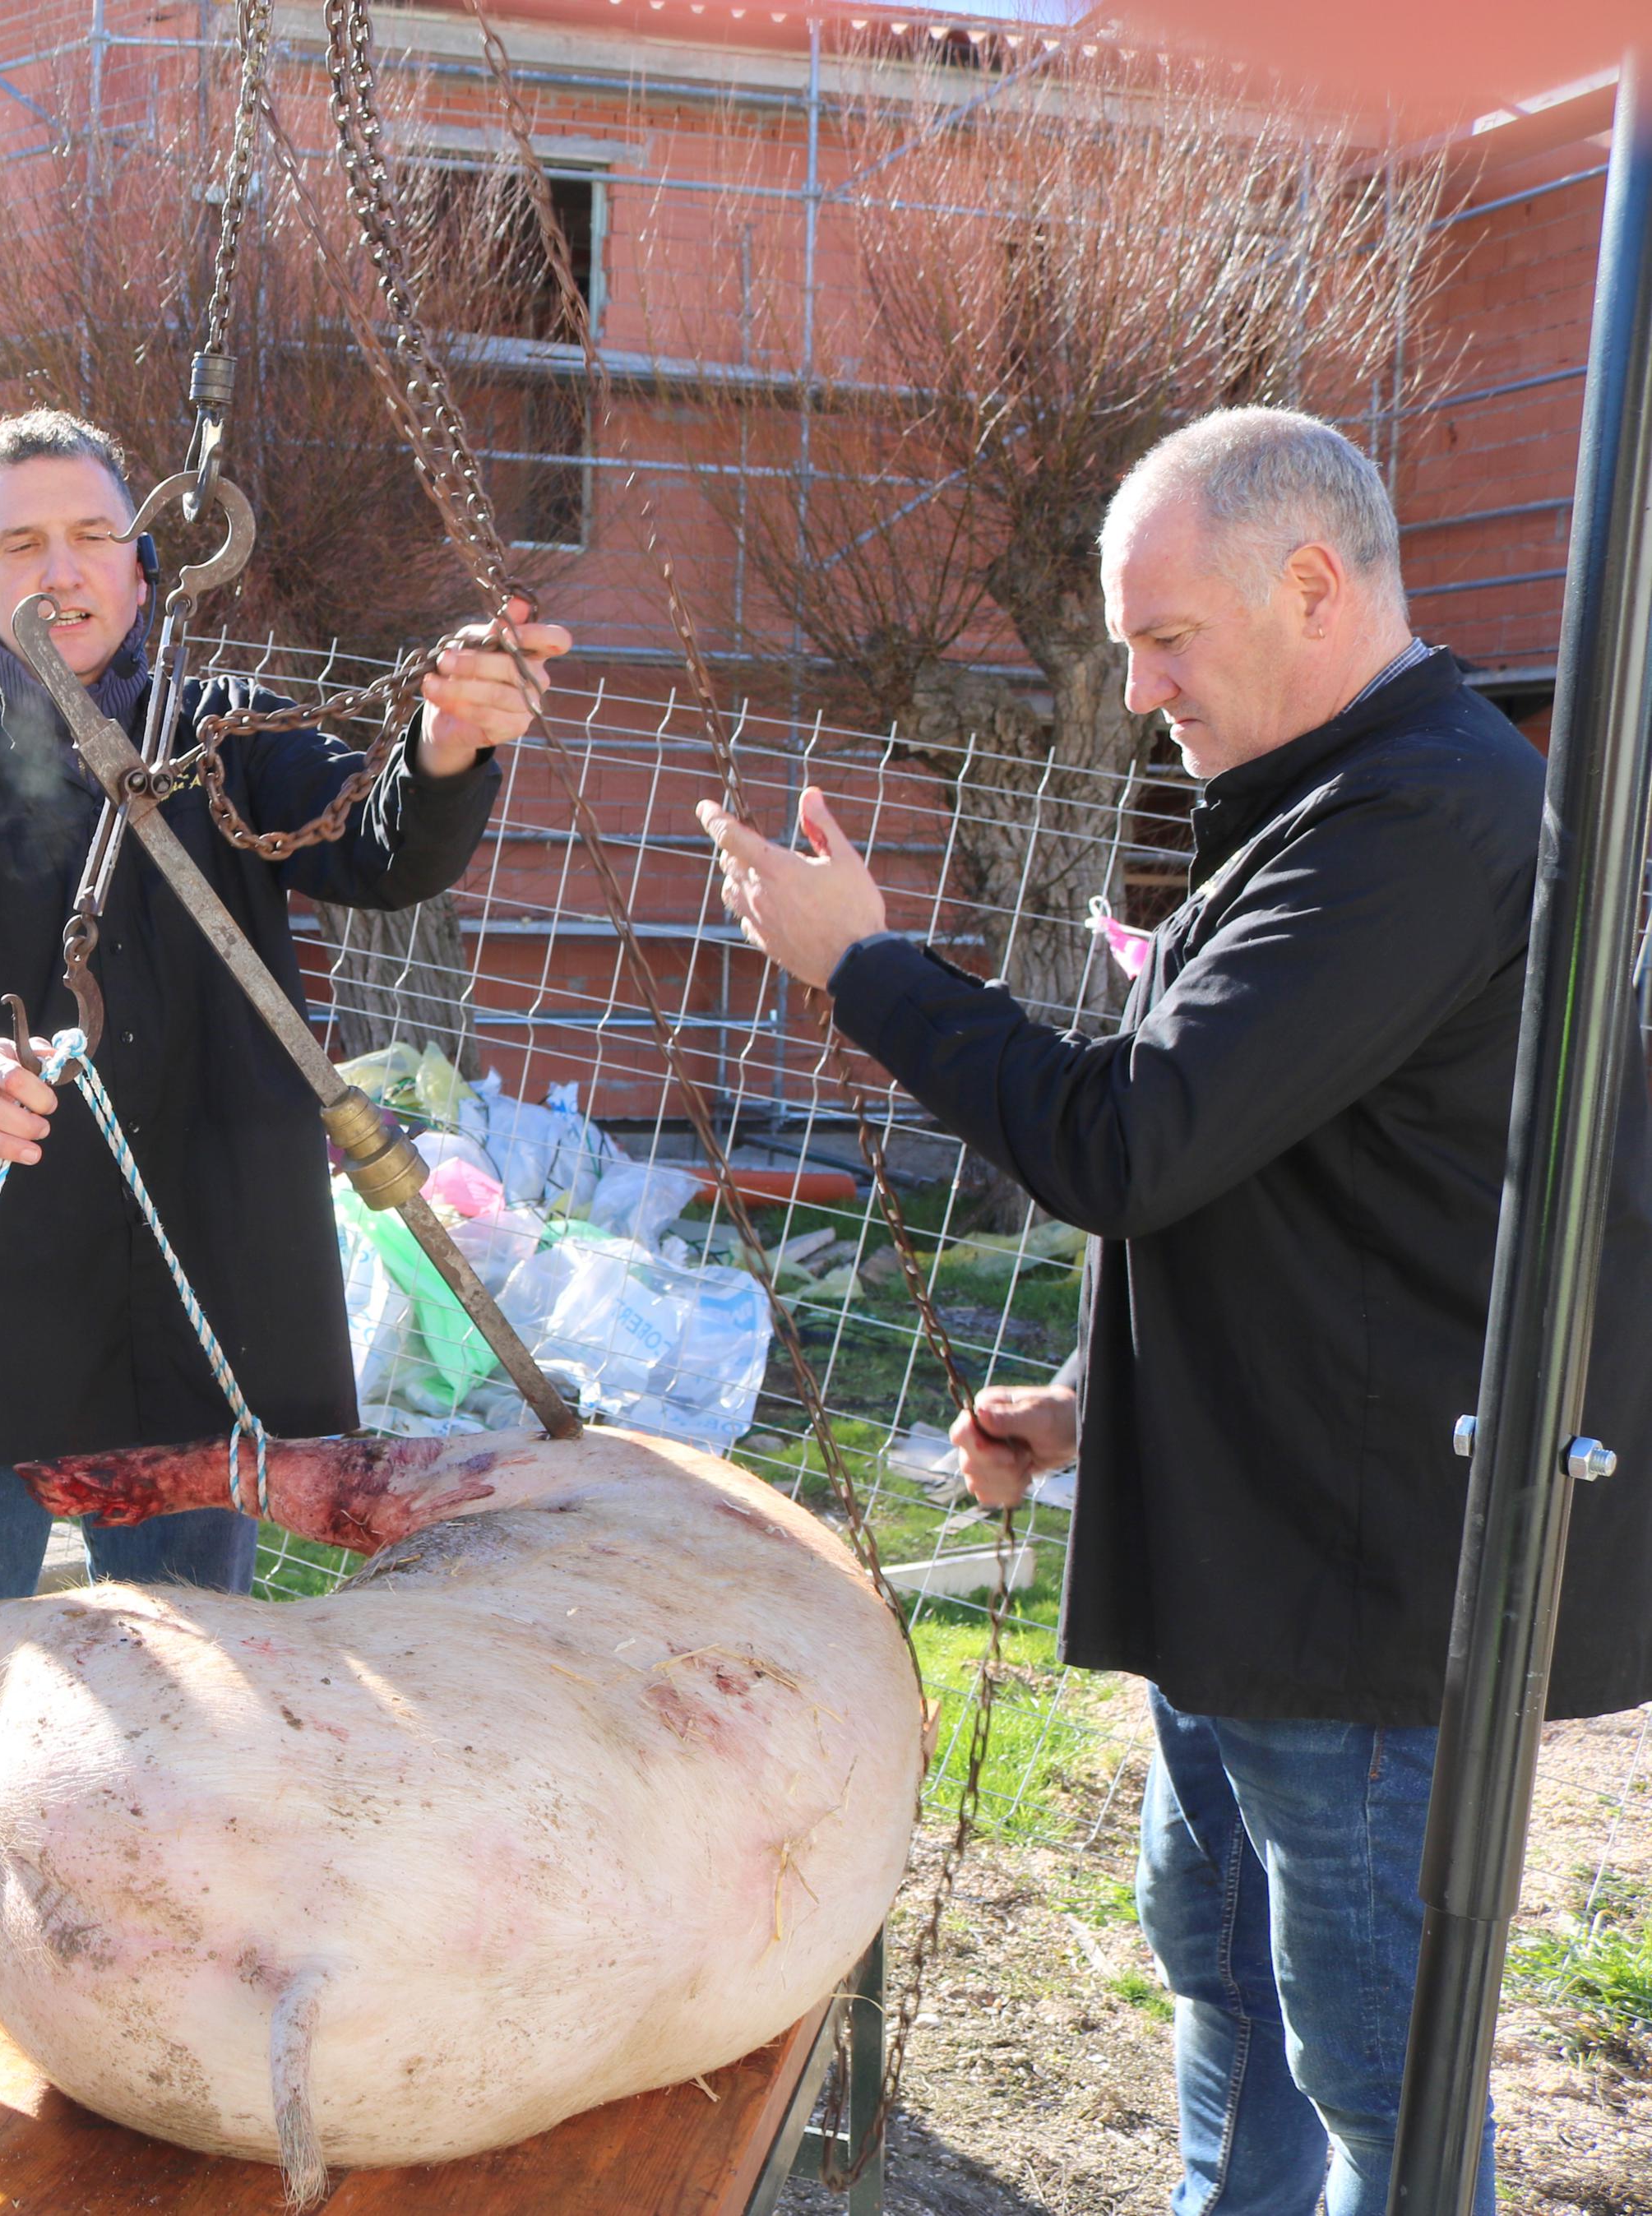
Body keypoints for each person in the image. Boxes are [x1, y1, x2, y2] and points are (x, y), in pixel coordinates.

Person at [697, 405, 1652, 2216]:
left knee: (1381, 2068)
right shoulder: (1328, 803)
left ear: (1311, 584)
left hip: (1367, 1576)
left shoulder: (1426, 821)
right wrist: (1086, 1394)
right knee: (1224, 1972)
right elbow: (1278, 1178)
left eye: (1163, 637)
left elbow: (1133, 1141)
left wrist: (869, 968)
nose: (1136, 688)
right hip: (1263, 1533)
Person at [0, 408, 571, 2154]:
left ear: (144, 564)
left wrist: (447, 742)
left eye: (85, 535)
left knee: (183, 1704)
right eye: (16, 543)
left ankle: (160, 2022)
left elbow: (379, 849)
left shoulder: (228, 741)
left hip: (192, 1311)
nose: (55, 569)